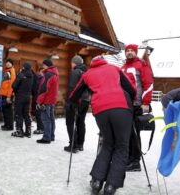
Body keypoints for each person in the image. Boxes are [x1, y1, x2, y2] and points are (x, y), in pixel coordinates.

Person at [69, 56, 136, 195]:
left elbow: (74, 94)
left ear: (92, 63)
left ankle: (97, 181)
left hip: (100, 109)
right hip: (121, 107)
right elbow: (131, 88)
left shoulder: (87, 74)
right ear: (104, 61)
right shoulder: (114, 68)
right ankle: (111, 185)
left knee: (107, 144)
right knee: (122, 146)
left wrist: (74, 104)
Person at [121, 44, 153, 172]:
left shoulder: (141, 65)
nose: (129, 52)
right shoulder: (123, 67)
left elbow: (148, 84)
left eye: (131, 51)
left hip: (136, 104)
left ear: (135, 52)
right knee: (126, 133)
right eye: (127, 51)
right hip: (123, 104)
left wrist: (145, 102)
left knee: (134, 133)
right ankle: (128, 157)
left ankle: (135, 161)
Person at [64, 55, 90, 153]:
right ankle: (80, 144)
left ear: (74, 63)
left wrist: (69, 101)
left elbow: (72, 87)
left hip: (76, 100)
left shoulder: (76, 72)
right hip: (85, 100)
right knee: (80, 122)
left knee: (70, 122)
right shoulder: (86, 72)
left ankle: (73, 145)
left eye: (72, 63)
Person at [36, 59, 59, 144]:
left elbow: (44, 89)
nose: (43, 67)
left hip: (46, 100)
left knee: (46, 120)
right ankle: (51, 136)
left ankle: (46, 137)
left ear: (46, 65)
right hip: (52, 100)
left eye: (43, 65)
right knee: (51, 119)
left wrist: (39, 101)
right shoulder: (55, 74)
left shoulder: (48, 74)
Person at [11, 62, 33, 138]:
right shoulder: (31, 76)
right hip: (28, 97)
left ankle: (19, 131)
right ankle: (28, 131)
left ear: (23, 67)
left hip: (20, 97)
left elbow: (14, 85)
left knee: (19, 114)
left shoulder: (21, 75)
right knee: (26, 114)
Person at [0, 58, 16, 131]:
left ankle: (10, 126)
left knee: (8, 111)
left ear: (12, 64)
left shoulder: (11, 72)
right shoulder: (6, 71)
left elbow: (11, 85)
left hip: (8, 95)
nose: (7, 64)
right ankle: (6, 124)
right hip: (4, 94)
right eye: (7, 62)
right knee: (5, 110)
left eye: (9, 63)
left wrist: (9, 96)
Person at [32, 67, 44, 135]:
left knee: (40, 115)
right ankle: (39, 128)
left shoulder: (45, 79)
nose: (42, 72)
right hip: (36, 98)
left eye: (43, 71)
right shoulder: (36, 78)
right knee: (37, 114)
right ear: (39, 72)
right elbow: (34, 88)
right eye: (41, 71)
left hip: (42, 100)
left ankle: (42, 129)